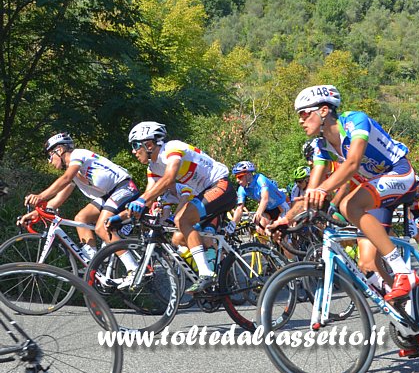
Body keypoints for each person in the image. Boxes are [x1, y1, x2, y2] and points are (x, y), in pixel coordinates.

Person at [290, 85, 419, 301]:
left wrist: (324, 190)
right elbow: (311, 191)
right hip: (376, 191)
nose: (300, 121)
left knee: (350, 205)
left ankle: (404, 272)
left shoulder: (354, 121)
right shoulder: (321, 146)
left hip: (399, 173)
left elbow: (352, 164)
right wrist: (286, 219)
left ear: (323, 110)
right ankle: (408, 314)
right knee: (369, 264)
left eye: (304, 113)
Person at [125, 122, 237, 293]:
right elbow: (148, 195)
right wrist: (121, 217)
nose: (133, 151)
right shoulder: (153, 167)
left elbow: (169, 178)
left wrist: (142, 201)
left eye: (135, 145)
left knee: (182, 219)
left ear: (148, 144)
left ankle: (206, 273)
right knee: (180, 232)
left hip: (220, 185)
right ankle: (213, 270)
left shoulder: (172, 148)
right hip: (206, 192)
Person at [22, 133, 140, 264]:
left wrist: (40, 196)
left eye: (50, 156)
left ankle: (133, 268)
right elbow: (58, 199)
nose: (49, 161)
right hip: (109, 195)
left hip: (123, 188)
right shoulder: (74, 174)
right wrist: (38, 212)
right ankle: (94, 263)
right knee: (81, 218)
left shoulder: (78, 155)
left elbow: (65, 178)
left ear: (59, 150)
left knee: (100, 227)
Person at [228, 161, 288, 234]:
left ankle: (291, 243)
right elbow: (239, 209)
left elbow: (265, 199)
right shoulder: (241, 189)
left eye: (239, 176)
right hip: (267, 210)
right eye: (236, 177)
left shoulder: (260, 179)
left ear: (248, 174)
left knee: (278, 235)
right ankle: (265, 246)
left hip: (280, 207)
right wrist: (232, 225)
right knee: (260, 230)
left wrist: (258, 213)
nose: (237, 180)